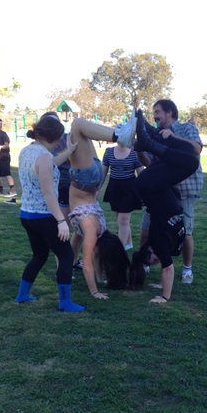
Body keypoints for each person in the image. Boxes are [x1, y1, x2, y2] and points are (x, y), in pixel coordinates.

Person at [14, 116, 85, 312]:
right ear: (54, 138)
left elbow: (49, 163)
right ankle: (65, 303)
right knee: (66, 255)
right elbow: (48, 194)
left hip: (26, 215)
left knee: (39, 256)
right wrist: (61, 221)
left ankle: (22, 295)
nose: (59, 143)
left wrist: (68, 152)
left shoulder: (27, 150)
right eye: (59, 140)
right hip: (44, 217)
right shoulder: (43, 157)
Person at [130, 110, 199, 304]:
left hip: (148, 186)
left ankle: (148, 142)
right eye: (155, 262)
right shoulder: (172, 249)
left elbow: (168, 268)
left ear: (150, 248)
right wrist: (161, 284)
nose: (158, 259)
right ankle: (149, 132)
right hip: (157, 186)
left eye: (153, 258)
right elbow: (165, 269)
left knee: (192, 163)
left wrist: (164, 296)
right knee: (188, 151)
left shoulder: (158, 242)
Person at [66, 114, 137, 299]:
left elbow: (88, 263)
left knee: (79, 126)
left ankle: (120, 135)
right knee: (79, 126)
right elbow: (93, 258)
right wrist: (99, 282)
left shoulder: (97, 228)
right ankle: (120, 134)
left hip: (90, 179)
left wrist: (95, 291)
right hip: (85, 180)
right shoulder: (92, 229)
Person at [102, 141, 143, 250]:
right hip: (114, 189)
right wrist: (96, 189)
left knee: (123, 220)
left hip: (129, 189)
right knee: (121, 220)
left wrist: (146, 190)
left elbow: (142, 174)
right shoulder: (109, 152)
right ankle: (129, 243)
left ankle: (119, 250)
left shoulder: (134, 153)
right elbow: (103, 173)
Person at [0, 118, 17, 198]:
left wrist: (0, 147)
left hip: (5, 156)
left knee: (7, 174)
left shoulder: (3, 134)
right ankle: (1, 191)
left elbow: (7, 145)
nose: (0, 125)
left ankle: (12, 191)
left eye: (1, 124)